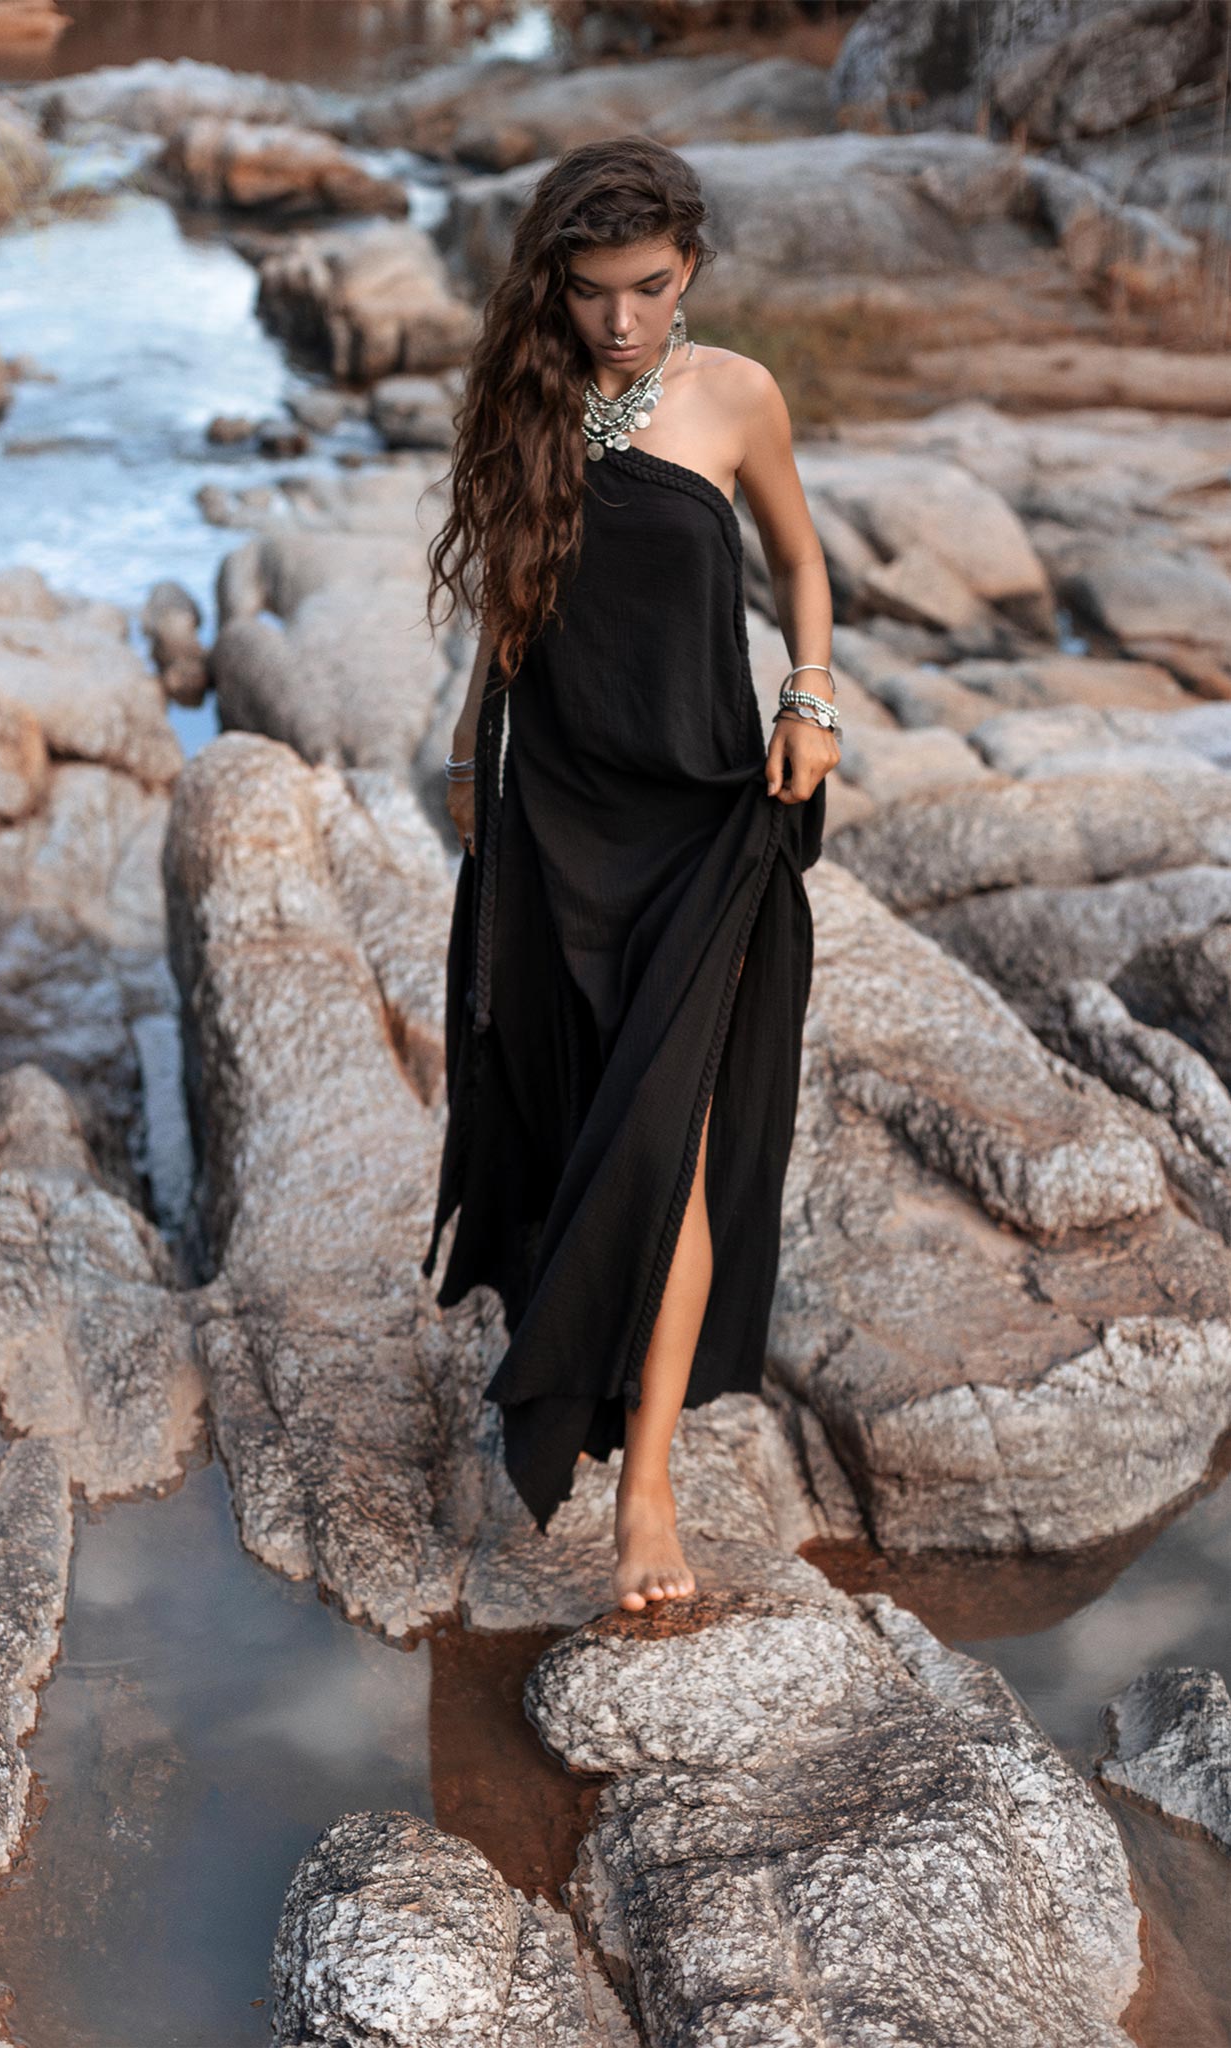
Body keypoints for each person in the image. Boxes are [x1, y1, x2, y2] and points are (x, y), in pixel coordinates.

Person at [419, 136, 839, 1613]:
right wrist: (474, 763)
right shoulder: (529, 399)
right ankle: (573, 1356)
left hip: (702, 819)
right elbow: (508, 605)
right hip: (556, 820)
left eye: (649, 288)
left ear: (691, 270)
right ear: (557, 283)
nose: (620, 321)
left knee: (667, 1134)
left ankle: (646, 1483)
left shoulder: (734, 397)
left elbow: (799, 562)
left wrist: (811, 693)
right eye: (593, 292)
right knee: (566, 1111)